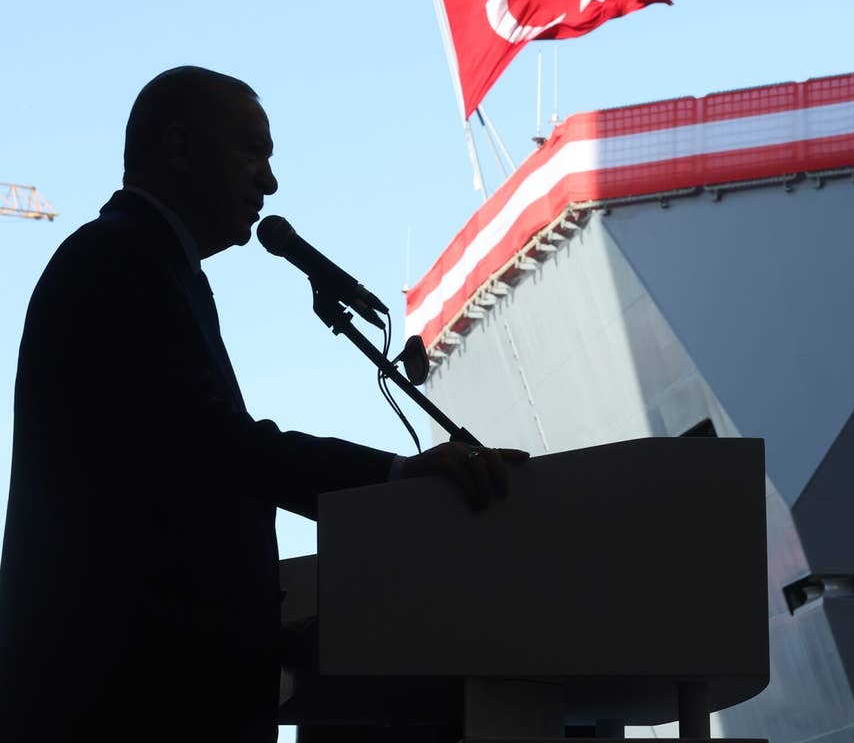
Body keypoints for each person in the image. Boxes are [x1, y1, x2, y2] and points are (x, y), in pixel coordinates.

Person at [0, 67, 526, 742]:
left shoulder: (145, 262)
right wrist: (394, 479)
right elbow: (219, 449)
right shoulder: (122, 260)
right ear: (181, 148)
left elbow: (183, 477)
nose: (270, 182)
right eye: (253, 151)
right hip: (121, 701)